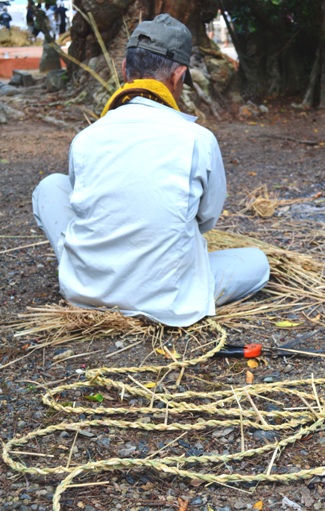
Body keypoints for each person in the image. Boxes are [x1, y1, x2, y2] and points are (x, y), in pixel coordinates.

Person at [32, 13, 270, 327]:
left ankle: (81, 274)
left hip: (86, 292)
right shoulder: (198, 140)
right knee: (258, 263)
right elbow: (206, 220)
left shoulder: (86, 138)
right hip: (169, 299)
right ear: (178, 76)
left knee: (50, 187)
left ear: (123, 69)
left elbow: (81, 205)